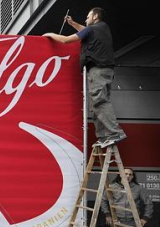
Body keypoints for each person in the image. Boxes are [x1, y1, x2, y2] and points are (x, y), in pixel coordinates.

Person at [43, 7, 126, 148]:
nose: (86, 19)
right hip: (106, 70)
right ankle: (103, 137)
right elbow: (86, 31)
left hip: (98, 70)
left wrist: (50, 34)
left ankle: (115, 133)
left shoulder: (93, 29)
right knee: (96, 105)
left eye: (88, 17)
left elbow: (66, 40)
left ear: (95, 16)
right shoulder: (103, 28)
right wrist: (73, 23)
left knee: (99, 102)